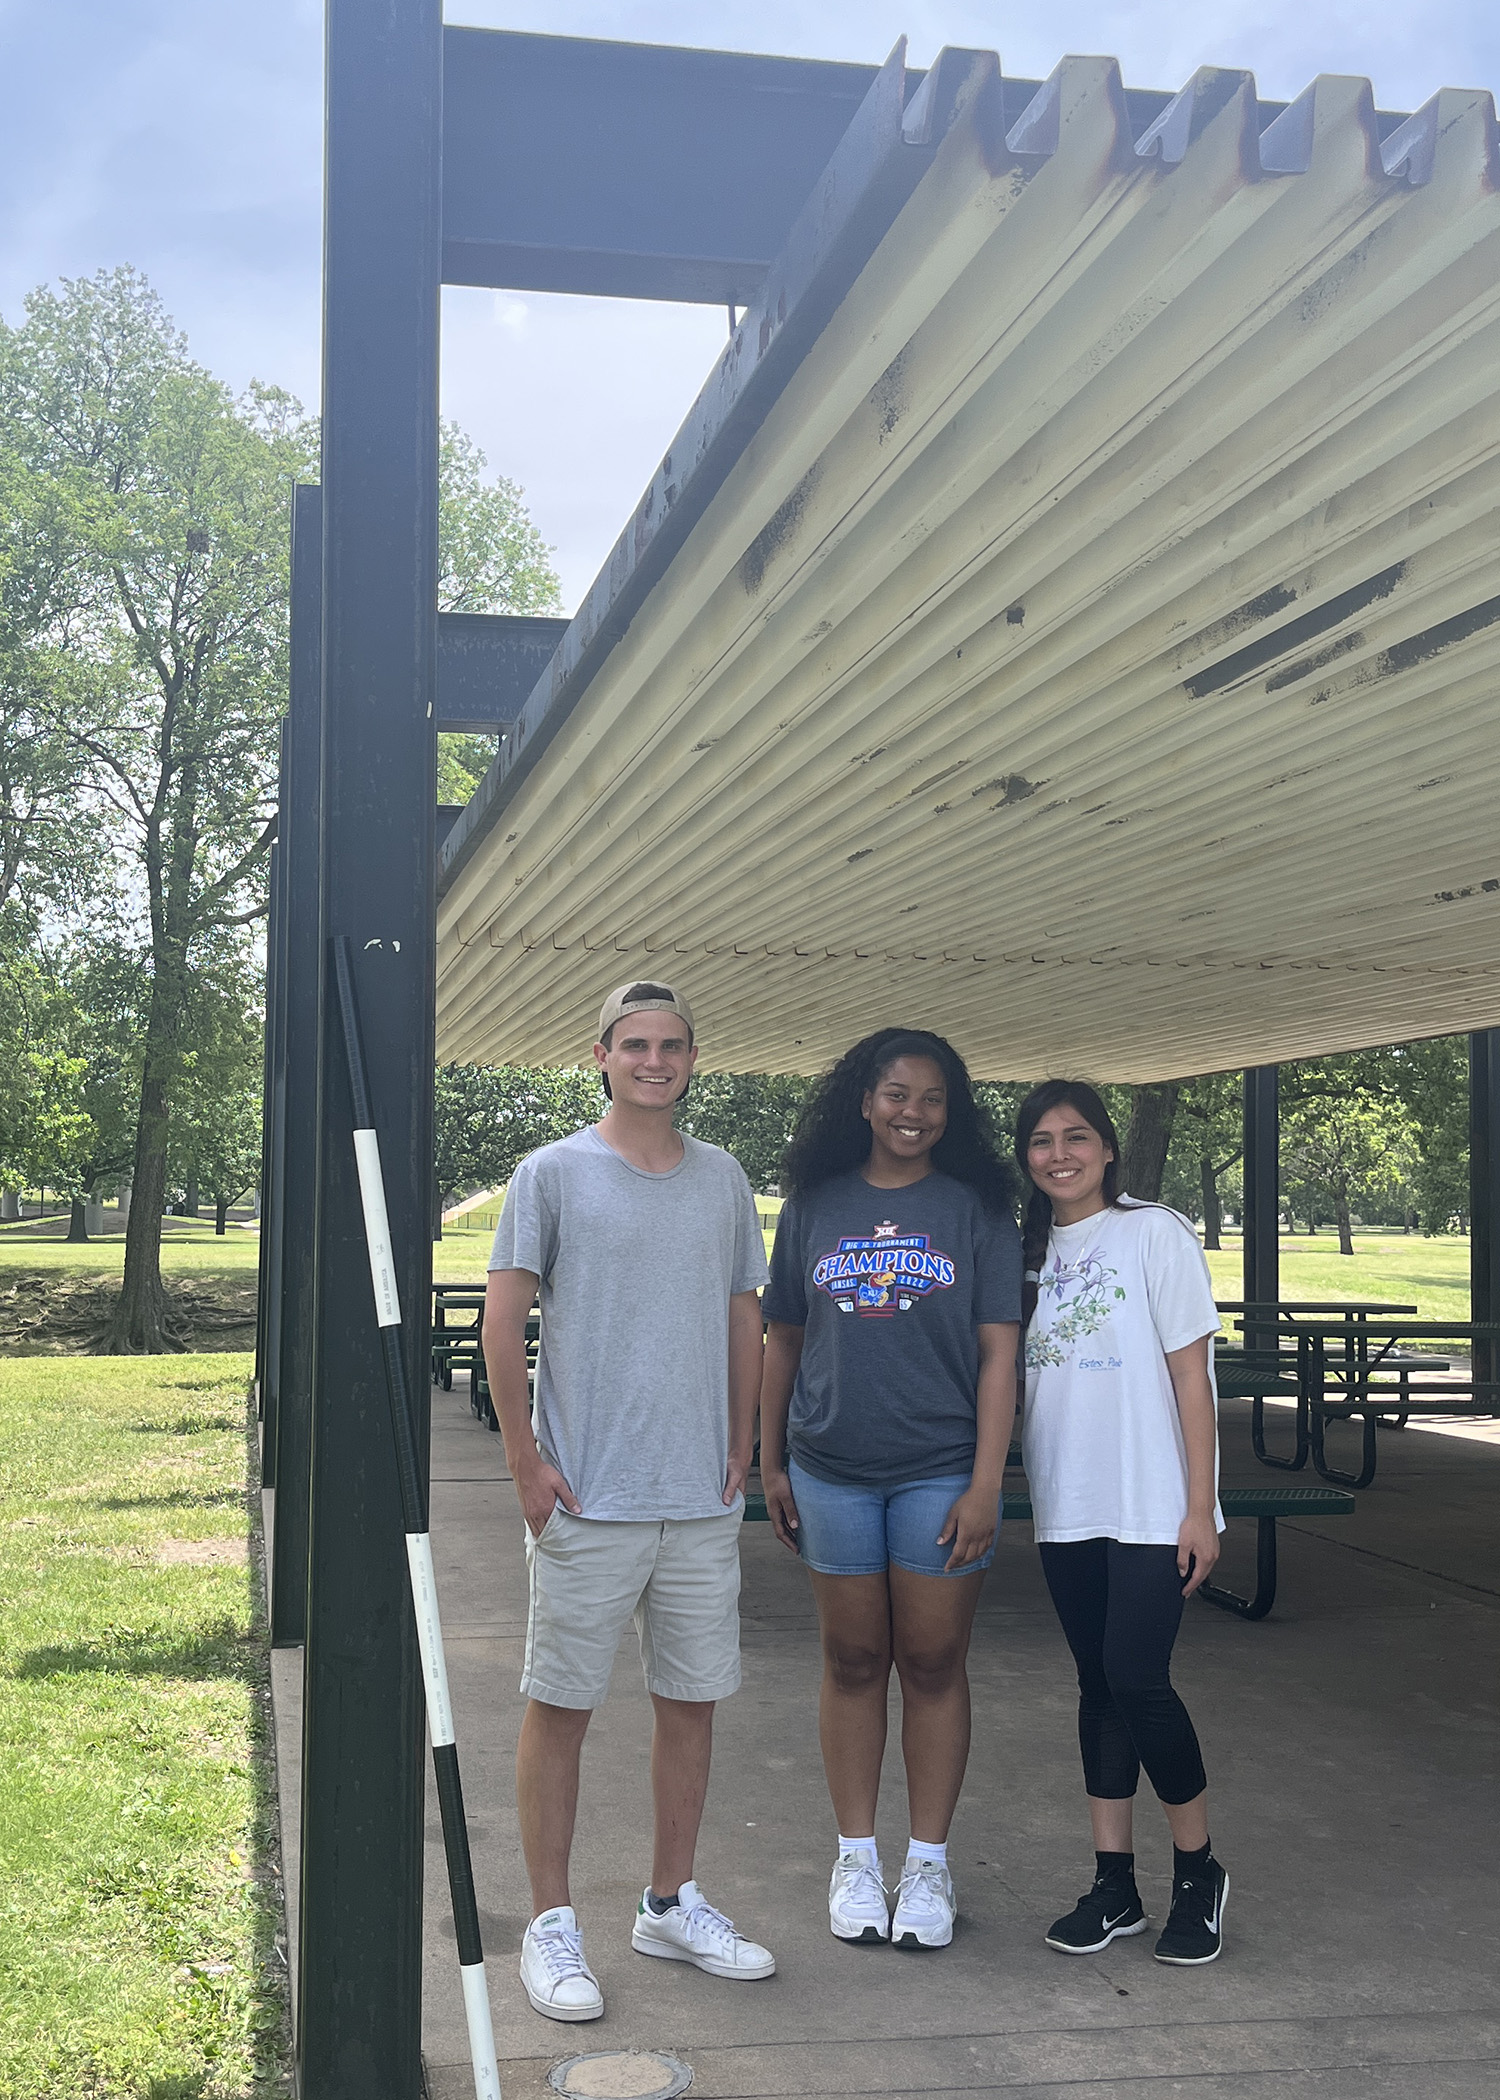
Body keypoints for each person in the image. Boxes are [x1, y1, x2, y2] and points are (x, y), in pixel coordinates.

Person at [482, 981, 776, 2023]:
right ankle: (551, 1923)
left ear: (696, 1059)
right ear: (600, 1055)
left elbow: (747, 1316)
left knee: (690, 1704)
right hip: (588, 1497)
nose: (656, 1060)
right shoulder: (552, 1173)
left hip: (697, 1499)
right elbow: (503, 1320)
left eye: (675, 1045)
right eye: (637, 1044)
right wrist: (526, 1462)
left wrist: (741, 1441)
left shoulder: (725, 1179)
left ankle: (668, 1901)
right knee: (559, 1707)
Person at [758, 1028, 1022, 1950]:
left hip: (940, 1468)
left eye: (933, 1099)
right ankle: (858, 1855)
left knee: (936, 1662)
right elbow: (782, 1337)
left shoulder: (977, 1209)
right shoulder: (815, 1204)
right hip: (831, 1466)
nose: (914, 1113)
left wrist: (988, 1480)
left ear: (953, 1112)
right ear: (864, 1101)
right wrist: (771, 1459)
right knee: (855, 1660)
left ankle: (930, 1867)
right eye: (897, 1094)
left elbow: (1000, 1351)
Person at [1015, 1079, 1229, 1966]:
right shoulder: (1023, 1252)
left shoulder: (1155, 1233)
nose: (1059, 1153)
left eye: (1076, 1136)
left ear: (1108, 1148)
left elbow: (1192, 1379)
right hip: (1069, 1503)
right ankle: (1115, 1886)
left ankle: (1198, 1873)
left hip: (1151, 1503)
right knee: (1096, 1689)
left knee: (1138, 1678)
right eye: (1040, 1141)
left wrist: (1200, 1509)